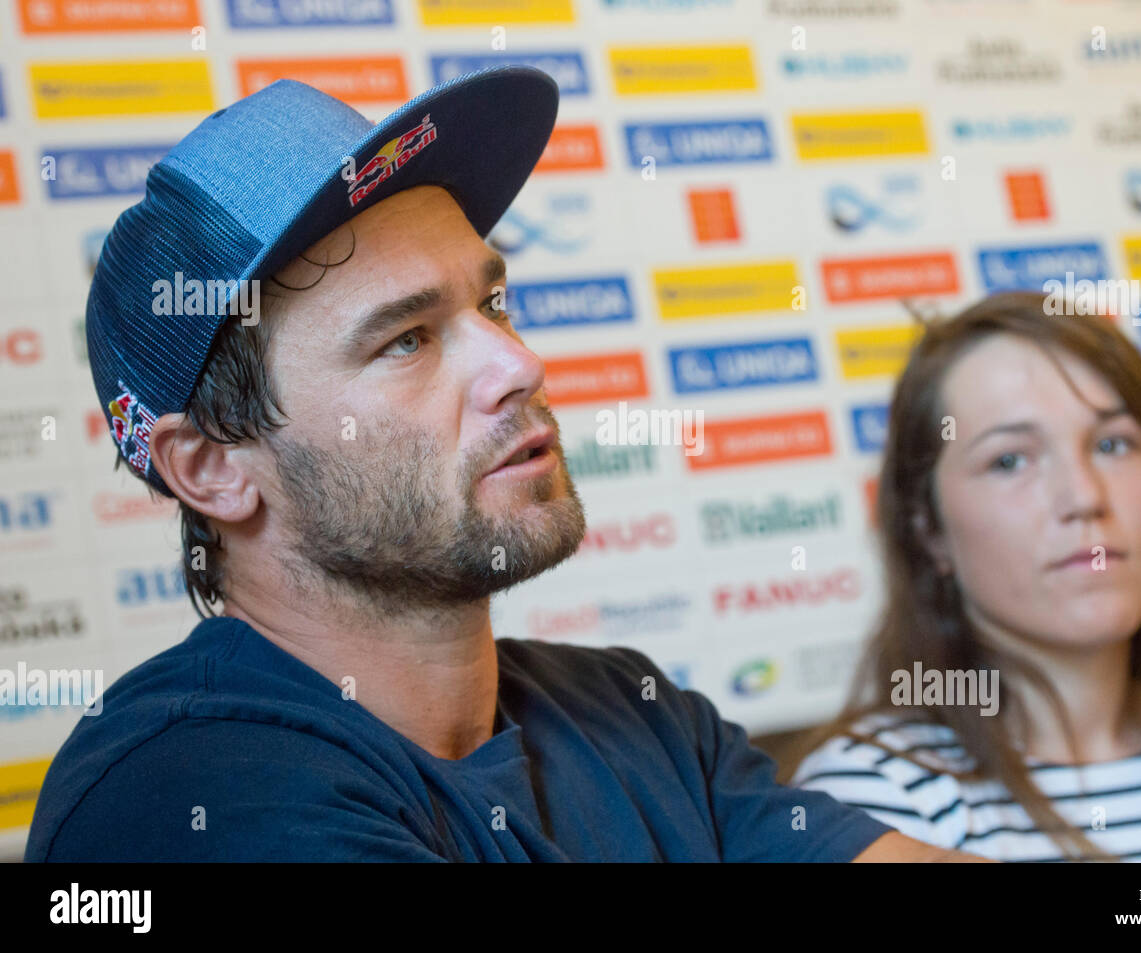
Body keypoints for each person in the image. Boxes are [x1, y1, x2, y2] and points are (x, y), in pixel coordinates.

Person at [24, 67, 986, 862]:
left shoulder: (630, 712)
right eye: (405, 339)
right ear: (211, 469)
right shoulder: (184, 795)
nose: (519, 365)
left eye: (493, 305)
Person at [792, 291, 1141, 861]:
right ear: (929, 529)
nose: (1083, 496)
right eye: (1009, 459)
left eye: (1114, 444)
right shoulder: (875, 804)